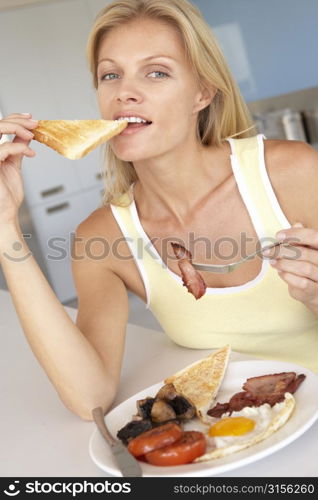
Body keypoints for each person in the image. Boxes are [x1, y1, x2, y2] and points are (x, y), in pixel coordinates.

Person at [0, 0, 317, 421]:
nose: (123, 92)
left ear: (202, 92)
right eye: (110, 75)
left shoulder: (292, 174)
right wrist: (5, 225)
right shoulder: (102, 239)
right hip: (235, 441)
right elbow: (88, 396)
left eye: (157, 72)